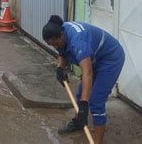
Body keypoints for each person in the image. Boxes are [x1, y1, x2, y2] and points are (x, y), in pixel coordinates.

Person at [42, 15, 125, 144]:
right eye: (52, 45)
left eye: (56, 43)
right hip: (96, 57)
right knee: (81, 95)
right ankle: (79, 122)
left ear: (62, 35)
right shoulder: (58, 35)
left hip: (110, 59)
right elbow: (61, 52)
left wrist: (85, 104)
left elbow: (87, 72)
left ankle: (97, 142)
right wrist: (60, 68)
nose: (55, 46)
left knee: (95, 101)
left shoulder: (78, 41)